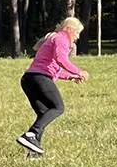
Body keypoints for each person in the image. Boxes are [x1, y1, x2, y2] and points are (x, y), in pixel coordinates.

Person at [17, 16, 88, 156]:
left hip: (29, 79)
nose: (77, 37)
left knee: (44, 113)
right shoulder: (62, 39)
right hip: (39, 79)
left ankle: (34, 151)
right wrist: (78, 71)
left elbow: (52, 68)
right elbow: (61, 59)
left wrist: (70, 76)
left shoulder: (53, 39)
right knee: (58, 107)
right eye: (77, 33)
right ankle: (31, 134)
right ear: (68, 30)